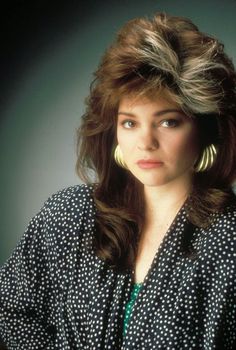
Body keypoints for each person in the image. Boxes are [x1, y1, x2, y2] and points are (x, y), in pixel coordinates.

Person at [1, 12, 236, 350]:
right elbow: (11, 307)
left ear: (205, 129)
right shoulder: (69, 214)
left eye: (168, 122)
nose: (145, 142)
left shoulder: (228, 239)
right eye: (129, 123)